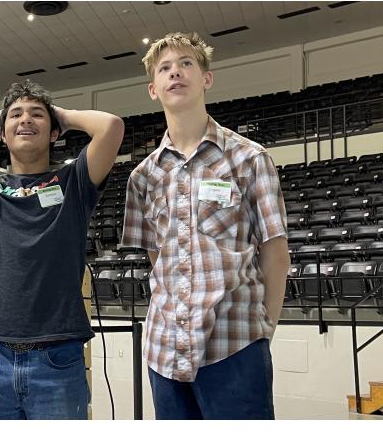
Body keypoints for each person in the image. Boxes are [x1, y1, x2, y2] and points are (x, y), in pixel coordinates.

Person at [0, 80, 124, 419]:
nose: (26, 120)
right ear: (3, 134)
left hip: (57, 358)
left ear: (54, 132)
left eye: (37, 115)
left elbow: (111, 127)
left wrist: (62, 114)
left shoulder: (74, 183)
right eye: (16, 116)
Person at [120, 32, 290, 420]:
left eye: (186, 64)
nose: (175, 73)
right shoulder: (143, 177)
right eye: (164, 68)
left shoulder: (249, 159)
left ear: (206, 79)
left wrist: (265, 328)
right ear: (153, 89)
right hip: (163, 350)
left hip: (235, 346)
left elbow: (276, 253)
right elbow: (156, 255)